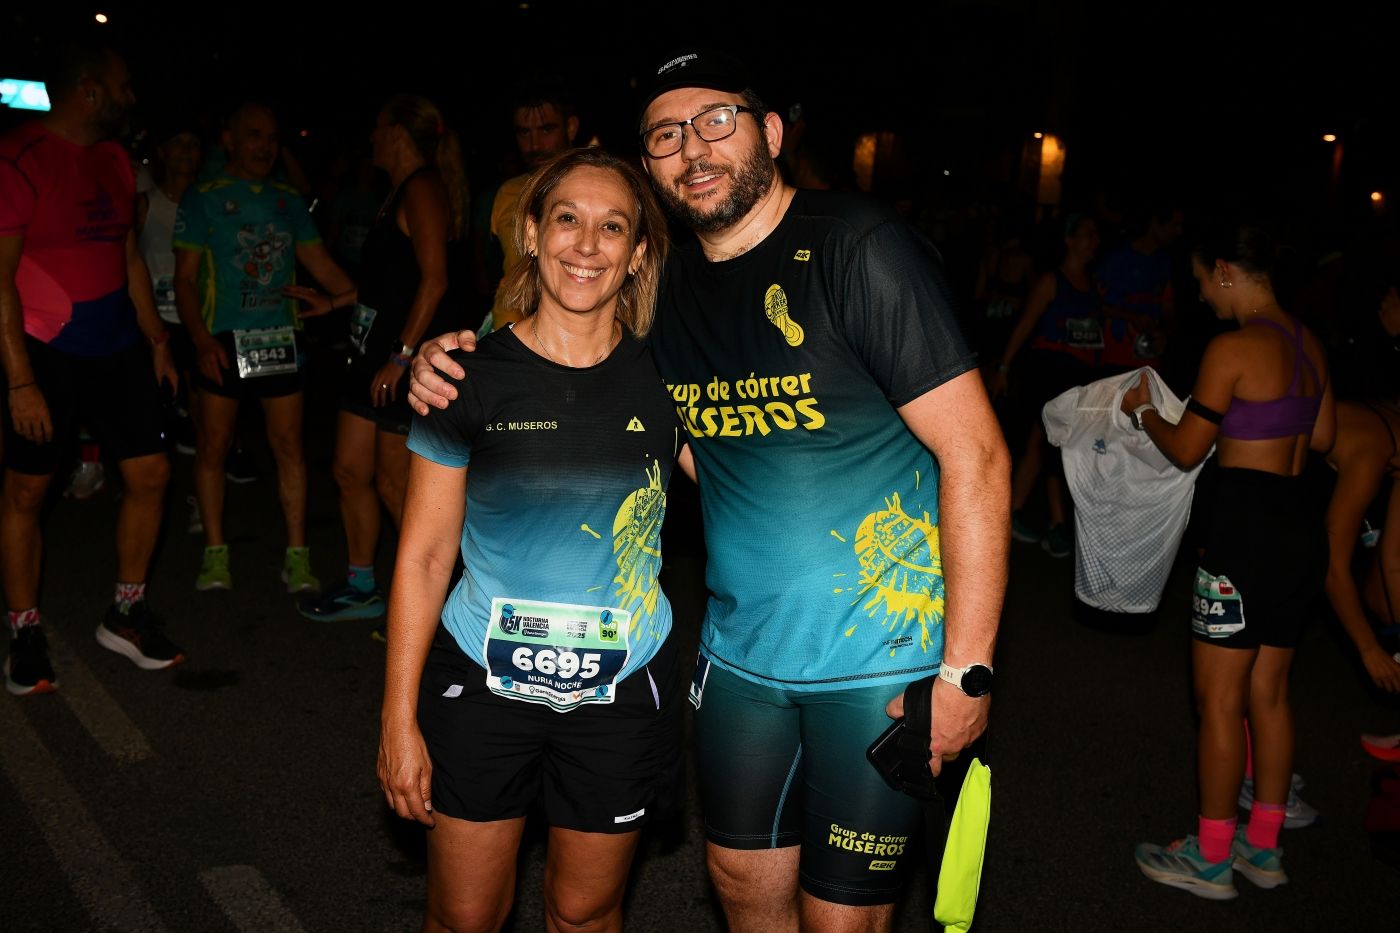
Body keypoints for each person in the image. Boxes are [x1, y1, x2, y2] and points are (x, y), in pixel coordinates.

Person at [409, 49, 1010, 932]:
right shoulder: (666, 291)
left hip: (881, 662)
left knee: (841, 921)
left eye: (716, 121)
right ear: (650, 165)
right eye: (666, 133)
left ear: (769, 132)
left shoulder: (856, 246)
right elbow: (572, 367)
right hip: (738, 665)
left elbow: (980, 459)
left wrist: (967, 669)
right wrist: (444, 360)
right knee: (738, 886)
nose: (693, 147)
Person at [378, 148, 681, 933]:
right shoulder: (464, 378)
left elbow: (756, 484)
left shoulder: (671, 382)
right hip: (481, 681)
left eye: (612, 226)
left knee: (585, 910)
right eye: (568, 220)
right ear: (533, 234)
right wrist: (396, 717)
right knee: (467, 913)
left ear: (638, 251)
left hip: (620, 690)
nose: (587, 245)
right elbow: (422, 556)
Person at [1127, 222, 1335, 899]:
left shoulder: (1234, 347)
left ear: (1225, 270)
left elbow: (1187, 447)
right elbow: (1325, 435)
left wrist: (1140, 412)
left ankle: (1212, 856)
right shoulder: (1311, 344)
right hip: (1303, 530)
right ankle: (1264, 847)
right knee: (1269, 694)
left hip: (1244, 534)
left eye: (1200, 281)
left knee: (1218, 700)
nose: (1201, 295)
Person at [0, 41, 186, 695]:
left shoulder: (113, 158)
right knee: (27, 491)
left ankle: (126, 610)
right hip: (44, 347)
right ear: (88, 89)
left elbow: (129, 254)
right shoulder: (18, 156)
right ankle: (24, 627)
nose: (131, 96)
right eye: (122, 84)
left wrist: (157, 339)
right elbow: (0, 280)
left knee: (152, 472)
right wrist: (20, 379)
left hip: (116, 346)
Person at [290, 95, 468, 623]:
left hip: (401, 361)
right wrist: (334, 301)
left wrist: (404, 355)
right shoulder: (396, 191)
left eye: (376, 128)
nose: (370, 139)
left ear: (396, 133)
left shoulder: (423, 187)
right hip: (370, 356)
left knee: (396, 486)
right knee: (348, 471)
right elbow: (390, 283)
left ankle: (445, 607)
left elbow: (435, 280)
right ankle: (363, 585)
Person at [173, 102, 354, 593]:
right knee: (213, 446)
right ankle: (215, 553)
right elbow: (185, 281)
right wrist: (199, 339)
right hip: (222, 338)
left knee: (289, 447)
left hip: (280, 338)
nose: (264, 146)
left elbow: (326, 268)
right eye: (253, 135)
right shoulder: (203, 197)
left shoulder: (287, 199)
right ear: (229, 140)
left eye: (272, 137)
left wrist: (346, 298)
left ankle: (297, 557)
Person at [989, 213, 1103, 557]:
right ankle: (1056, 524)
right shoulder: (1052, 281)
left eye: (1096, 235)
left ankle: (1015, 514)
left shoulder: (1093, 283)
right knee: (1051, 440)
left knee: (1046, 443)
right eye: (1087, 233)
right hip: (1050, 370)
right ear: (1069, 239)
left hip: (1081, 377)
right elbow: (1025, 324)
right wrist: (1004, 367)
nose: (1093, 241)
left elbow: (1095, 333)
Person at [480, 81, 579, 333]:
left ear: (570, 127)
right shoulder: (507, 192)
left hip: (570, 341)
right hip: (505, 334)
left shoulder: (598, 192)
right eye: (524, 132)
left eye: (547, 130)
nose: (535, 144)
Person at [1323, 398, 1400, 692]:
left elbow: (1393, 561)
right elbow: (1332, 564)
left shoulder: (1394, 436)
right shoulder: (1374, 451)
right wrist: (1369, 649)